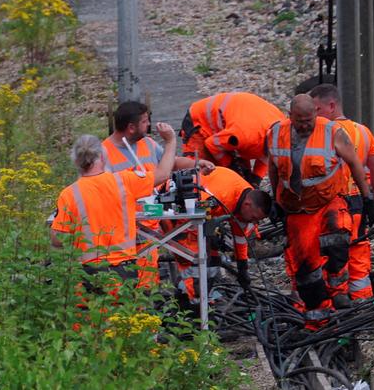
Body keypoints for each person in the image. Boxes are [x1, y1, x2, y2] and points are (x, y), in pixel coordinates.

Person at [267, 94, 370, 327]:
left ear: (316, 112)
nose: (305, 125)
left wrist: (368, 198)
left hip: (328, 201)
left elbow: (355, 163)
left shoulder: (332, 132)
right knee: (305, 265)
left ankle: (339, 292)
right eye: (299, 120)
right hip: (297, 210)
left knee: (337, 238)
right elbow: (273, 169)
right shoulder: (275, 134)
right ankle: (317, 316)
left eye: (309, 119)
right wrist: (276, 201)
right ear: (290, 115)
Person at [103, 101, 214, 286]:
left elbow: (169, 161)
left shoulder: (147, 143)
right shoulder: (104, 153)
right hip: (126, 230)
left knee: (148, 277)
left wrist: (196, 163)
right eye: (145, 121)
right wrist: (171, 140)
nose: (149, 125)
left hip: (151, 224)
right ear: (131, 127)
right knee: (126, 281)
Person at [50, 125, 177, 285]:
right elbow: (163, 174)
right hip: (124, 270)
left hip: (88, 273)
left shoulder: (69, 194)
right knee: (124, 310)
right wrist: (171, 141)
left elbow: (58, 239)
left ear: (76, 161)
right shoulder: (124, 181)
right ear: (103, 157)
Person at [309, 83, 374, 301]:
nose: (313, 115)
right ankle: (362, 304)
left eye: (316, 109)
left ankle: (336, 304)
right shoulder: (363, 132)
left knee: (331, 256)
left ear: (331, 106)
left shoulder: (321, 134)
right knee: (358, 252)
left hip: (332, 206)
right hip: (358, 203)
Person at [167, 166, 273, 305]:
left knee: (213, 261)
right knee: (193, 260)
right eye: (253, 218)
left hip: (202, 213)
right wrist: (210, 234)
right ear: (247, 205)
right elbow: (195, 211)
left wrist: (243, 268)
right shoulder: (222, 195)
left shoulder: (246, 203)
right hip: (179, 207)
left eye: (256, 220)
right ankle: (189, 303)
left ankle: (202, 299)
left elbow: (240, 238)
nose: (253, 222)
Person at [180, 92, 286, 183]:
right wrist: (229, 166)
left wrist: (255, 179)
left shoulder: (283, 129)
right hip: (199, 123)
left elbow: (267, 156)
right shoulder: (244, 136)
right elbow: (212, 144)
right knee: (199, 174)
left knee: (243, 178)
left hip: (233, 127)